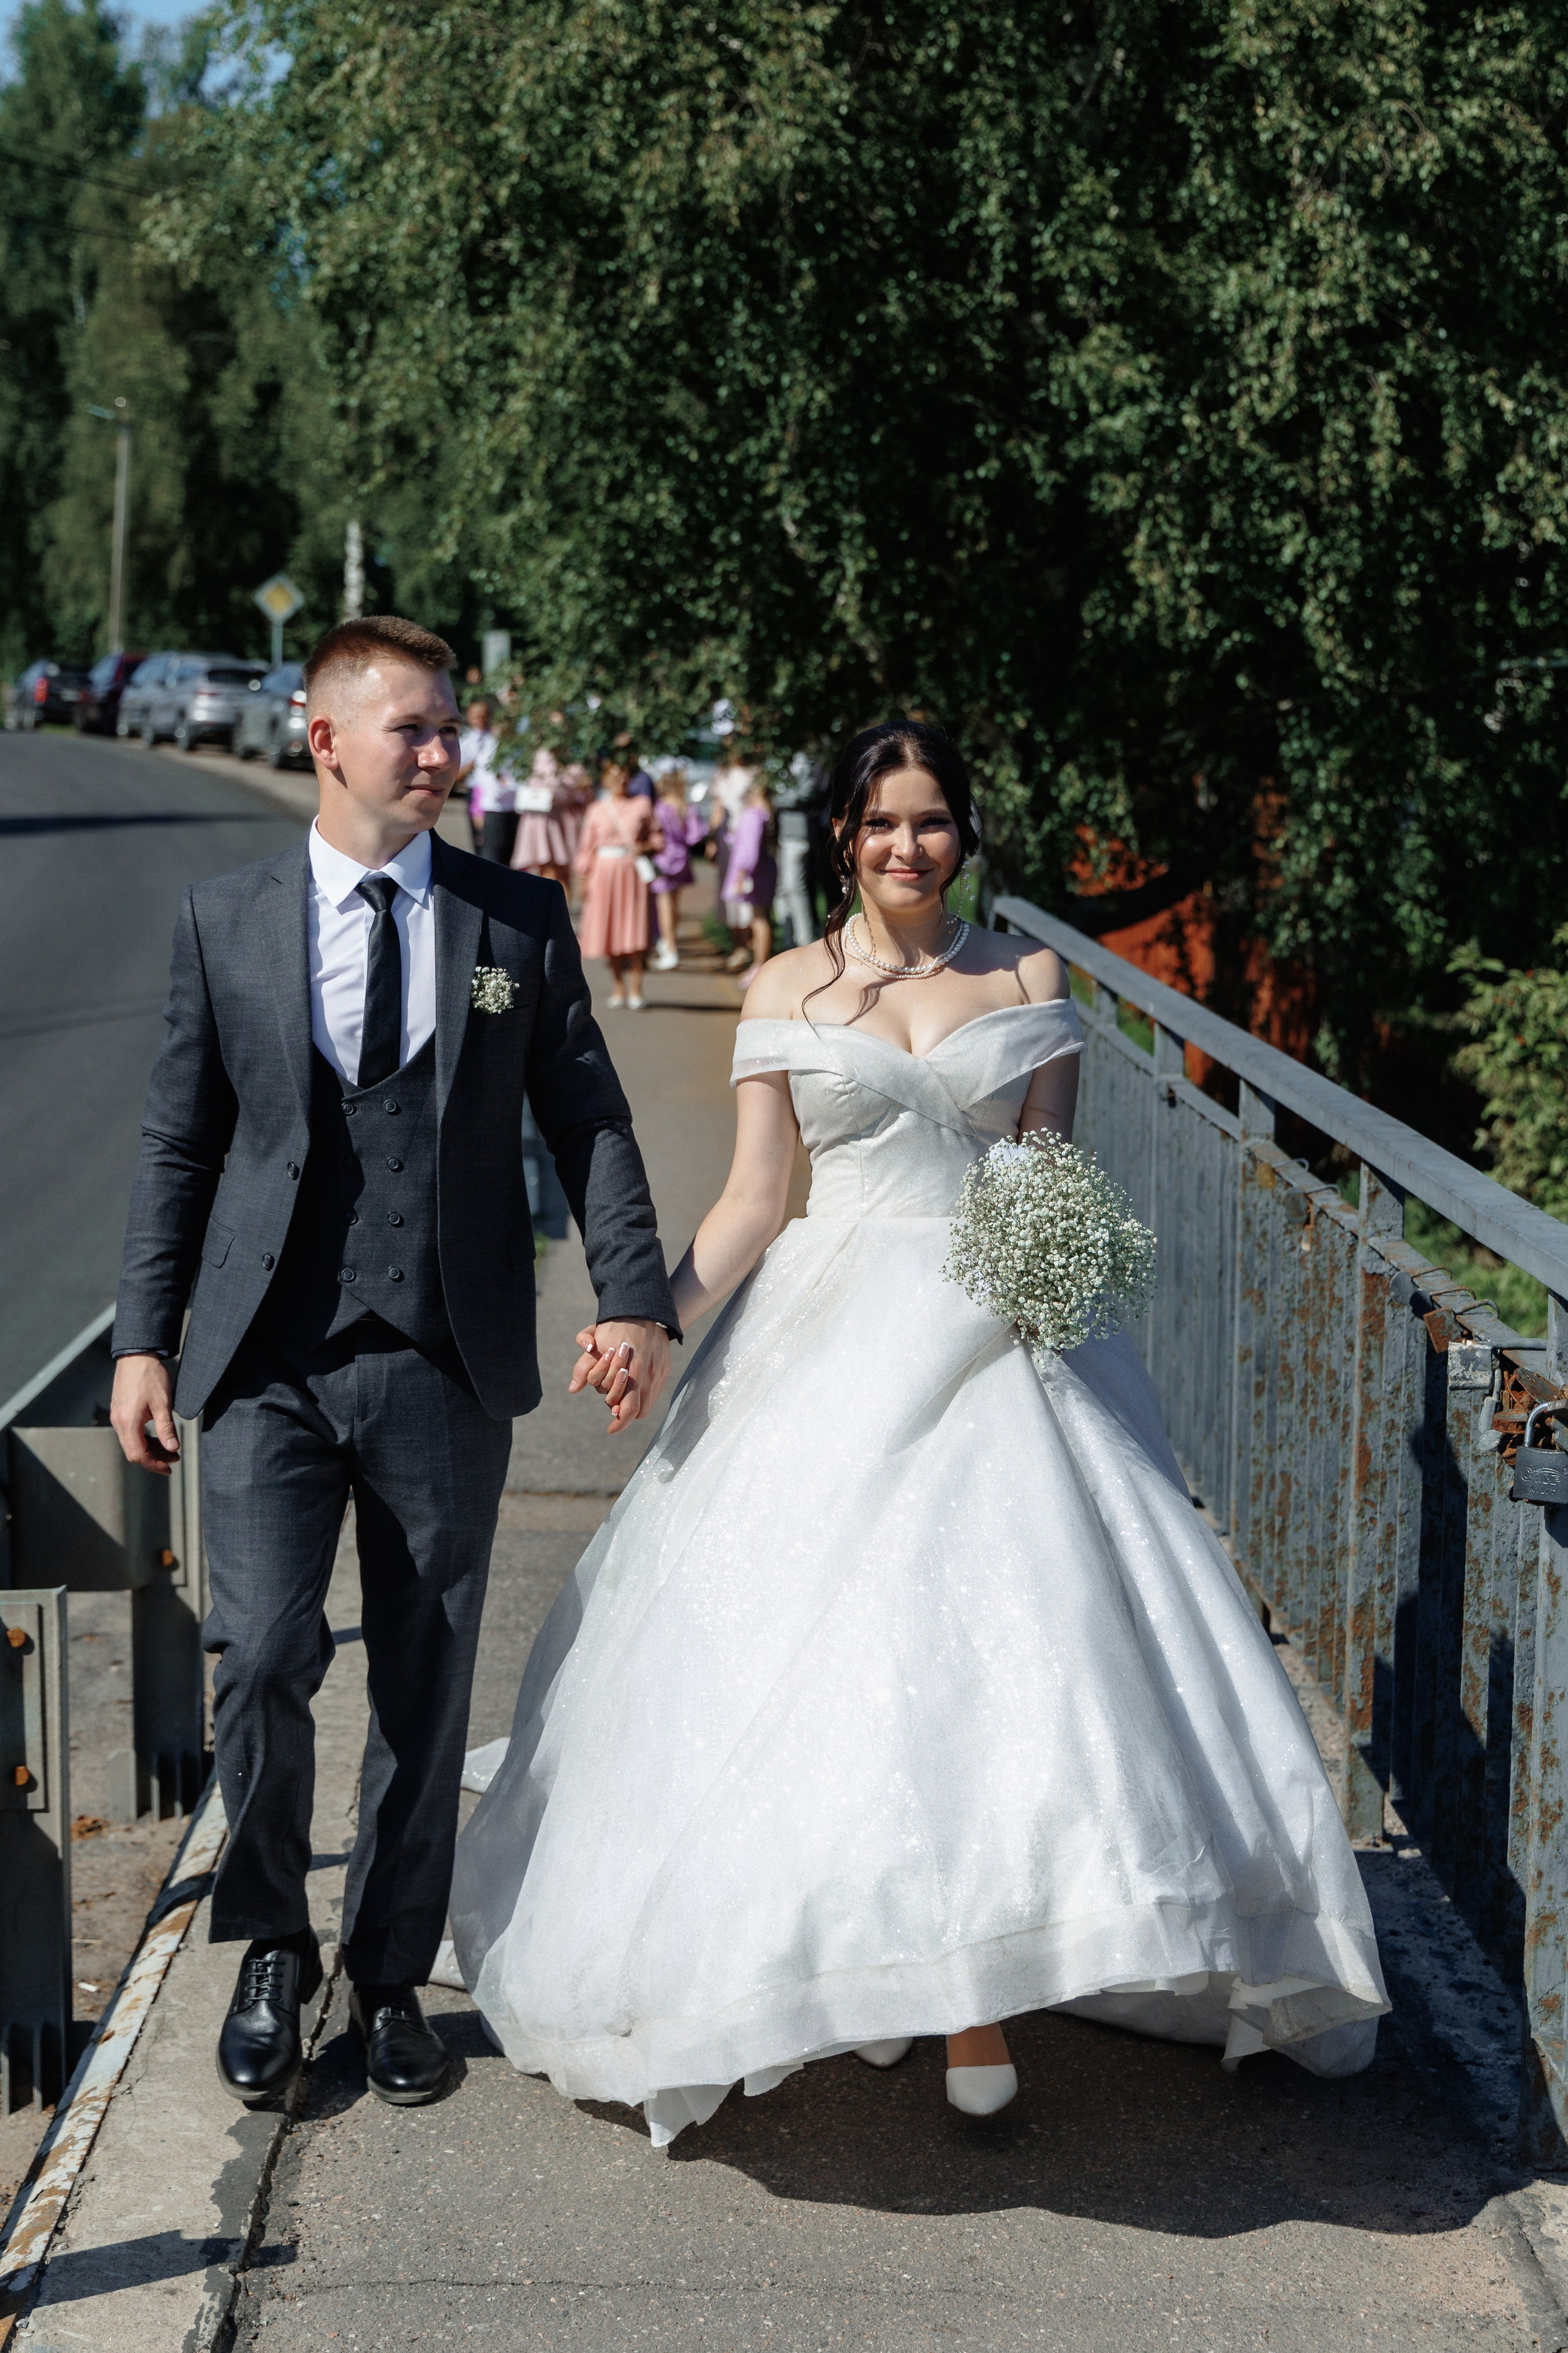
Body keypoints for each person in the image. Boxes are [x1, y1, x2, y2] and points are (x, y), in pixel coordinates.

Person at [450, 718, 1388, 2147]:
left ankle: (968, 1992)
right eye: (882, 822)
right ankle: (883, 1957)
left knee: (1006, 1648)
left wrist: (1036, 1302)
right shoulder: (782, 983)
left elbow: (1038, 1176)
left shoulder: (1024, 976)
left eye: (932, 821)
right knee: (826, 1659)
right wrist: (649, 1316)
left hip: (993, 1332)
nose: (907, 845)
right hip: (818, 1340)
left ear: (962, 834)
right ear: (844, 833)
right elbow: (757, 1200)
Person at [107, 615, 676, 2115]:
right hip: (267, 1361)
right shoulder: (222, 916)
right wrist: (142, 1336)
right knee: (268, 1657)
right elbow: (180, 1138)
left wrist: (633, 1295)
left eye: (449, 729)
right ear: (326, 739)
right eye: (413, 729)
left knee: (426, 1688)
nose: (442, 753)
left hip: (443, 1352)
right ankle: (275, 1944)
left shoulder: (512, 919)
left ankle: (386, 1971)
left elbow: (591, 1120)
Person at [574, 758, 658, 1010]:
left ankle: (636, 988)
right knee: (610, 930)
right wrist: (582, 877)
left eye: (623, 776)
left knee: (634, 929)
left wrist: (646, 845)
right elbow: (587, 846)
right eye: (613, 776)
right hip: (603, 873)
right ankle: (618, 986)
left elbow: (657, 837)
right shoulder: (597, 809)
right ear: (605, 780)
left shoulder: (642, 805)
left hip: (631, 871)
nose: (619, 781)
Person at [721, 774, 777, 984]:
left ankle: (758, 965)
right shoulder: (766, 814)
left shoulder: (753, 815)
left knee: (759, 919)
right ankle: (757, 963)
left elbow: (749, 850)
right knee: (759, 918)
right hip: (762, 872)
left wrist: (742, 874)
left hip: (753, 875)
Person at [649, 765, 704, 972]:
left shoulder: (660, 807)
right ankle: (669, 942)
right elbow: (696, 835)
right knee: (674, 905)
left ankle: (670, 947)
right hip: (681, 858)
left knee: (664, 905)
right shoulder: (685, 807)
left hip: (664, 859)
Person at [459, 698, 519, 865]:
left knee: (502, 850)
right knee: (484, 845)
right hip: (478, 794)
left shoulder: (495, 741)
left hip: (502, 800)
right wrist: (471, 767)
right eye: (477, 716)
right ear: (469, 717)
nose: (481, 719)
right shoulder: (466, 741)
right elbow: (458, 774)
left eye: (484, 715)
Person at [774, 752, 823, 948]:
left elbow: (808, 792)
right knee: (783, 890)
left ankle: (805, 940)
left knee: (794, 887)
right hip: (780, 833)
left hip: (798, 834)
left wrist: (780, 799)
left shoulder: (805, 759)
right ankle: (789, 939)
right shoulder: (778, 759)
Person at [511, 746, 573, 889]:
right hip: (538, 817)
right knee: (542, 867)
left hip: (556, 820)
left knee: (558, 869)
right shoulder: (534, 755)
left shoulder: (567, 756)